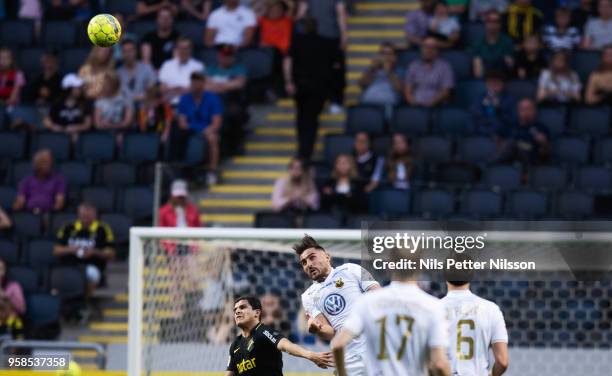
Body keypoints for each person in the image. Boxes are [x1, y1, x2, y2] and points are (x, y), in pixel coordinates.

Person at [331, 248, 451, 376]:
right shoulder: (433, 306)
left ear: (389, 266)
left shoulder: (367, 302)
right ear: (420, 267)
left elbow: (338, 344)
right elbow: (439, 364)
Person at [296, 235, 380, 376]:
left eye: (312, 257)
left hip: (376, 348)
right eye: (303, 263)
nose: (308, 264)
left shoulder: (351, 269)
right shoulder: (308, 296)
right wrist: (318, 328)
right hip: (350, 358)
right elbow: (330, 333)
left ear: (327, 257)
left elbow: (378, 294)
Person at [226, 295, 334, 375]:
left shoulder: (263, 332)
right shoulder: (235, 344)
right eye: (235, 309)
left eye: (242, 307)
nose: (237, 311)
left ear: (257, 313)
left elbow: (285, 345)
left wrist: (310, 355)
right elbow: (230, 373)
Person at [442, 255, 509, 376]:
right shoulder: (491, 309)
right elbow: (502, 362)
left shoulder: (433, 309)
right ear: (471, 275)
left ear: (445, 276)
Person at [284, 18, 336, 161]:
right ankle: (306, 150)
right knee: (311, 119)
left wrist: (289, 81)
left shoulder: (297, 41)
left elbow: (288, 61)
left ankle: (304, 149)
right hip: (318, 87)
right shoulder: (325, 43)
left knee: (303, 118)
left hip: (303, 85)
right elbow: (332, 67)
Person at [299, 0, 348, 113]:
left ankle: (335, 100)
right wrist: (344, 36)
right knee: (325, 72)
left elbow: (341, 14)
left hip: (326, 38)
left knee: (333, 71)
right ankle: (332, 101)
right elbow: (302, 14)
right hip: (321, 39)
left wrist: (344, 35)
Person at [53, 202, 115, 292]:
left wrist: (94, 252)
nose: (85, 219)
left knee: (91, 274)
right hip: (69, 265)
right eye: (83, 216)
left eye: (88, 216)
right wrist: (71, 250)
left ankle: (84, 301)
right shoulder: (68, 227)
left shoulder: (103, 229)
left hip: (92, 266)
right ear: (78, 215)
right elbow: (55, 250)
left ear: (95, 216)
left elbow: (111, 254)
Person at [177, 72, 223, 185]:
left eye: (198, 81)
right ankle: (184, 170)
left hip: (207, 130)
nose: (195, 84)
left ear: (203, 83)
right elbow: (182, 122)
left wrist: (207, 130)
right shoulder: (184, 98)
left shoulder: (213, 99)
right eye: (193, 81)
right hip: (189, 131)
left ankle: (212, 171)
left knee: (213, 138)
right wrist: (196, 129)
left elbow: (216, 123)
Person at [497, 98, 549, 171]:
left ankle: (489, 165)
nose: (526, 112)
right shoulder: (510, 126)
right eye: (522, 109)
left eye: (529, 109)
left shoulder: (541, 128)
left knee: (513, 144)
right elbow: (500, 143)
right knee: (511, 144)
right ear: (518, 111)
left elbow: (545, 154)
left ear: (534, 111)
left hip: (529, 157)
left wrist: (544, 143)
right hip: (509, 158)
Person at [404, 37, 455, 107]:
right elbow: (408, 90)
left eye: (432, 48)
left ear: (437, 51)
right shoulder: (413, 66)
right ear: (421, 49)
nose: (429, 50)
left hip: (436, 107)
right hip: (416, 106)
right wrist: (413, 104)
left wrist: (431, 103)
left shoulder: (445, 67)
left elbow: (446, 91)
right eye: (426, 47)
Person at [44, 73, 93, 144]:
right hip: (58, 136)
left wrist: (76, 127)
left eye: (80, 87)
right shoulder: (57, 103)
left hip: (78, 137)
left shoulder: (85, 103)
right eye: (77, 88)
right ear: (68, 89)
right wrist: (54, 126)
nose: (80, 90)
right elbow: (47, 120)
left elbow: (88, 124)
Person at [258, 0, 294, 97]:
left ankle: (287, 87)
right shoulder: (263, 20)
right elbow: (256, 12)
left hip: (284, 53)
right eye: (273, 10)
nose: (275, 12)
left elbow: (291, 7)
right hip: (267, 54)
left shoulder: (287, 20)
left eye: (278, 9)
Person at [13, 149, 65, 214]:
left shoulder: (58, 180)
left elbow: (59, 203)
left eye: (50, 162)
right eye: (45, 162)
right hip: (29, 212)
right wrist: (14, 212)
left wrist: (51, 216)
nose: (49, 165)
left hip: (48, 213)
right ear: (37, 164)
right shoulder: (27, 180)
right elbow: (20, 201)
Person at [159, 37, 206, 104]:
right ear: (177, 49)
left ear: (191, 50)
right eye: (180, 48)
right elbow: (162, 88)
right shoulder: (167, 65)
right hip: (169, 104)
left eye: (186, 48)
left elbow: (196, 89)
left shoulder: (198, 66)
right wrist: (182, 90)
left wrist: (174, 90)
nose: (183, 51)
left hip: (190, 104)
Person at [359, 42, 403, 109]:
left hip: (388, 105)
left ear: (395, 57)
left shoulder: (400, 70)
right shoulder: (372, 69)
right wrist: (372, 69)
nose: (385, 57)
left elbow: (400, 89)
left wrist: (389, 71)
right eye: (382, 53)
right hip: (367, 102)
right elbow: (362, 85)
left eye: (389, 54)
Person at [471, 70, 515, 137]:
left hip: (500, 134)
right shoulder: (479, 98)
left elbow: (510, 121)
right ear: (486, 84)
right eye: (491, 83)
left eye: (497, 83)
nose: (493, 86)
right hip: (481, 133)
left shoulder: (510, 100)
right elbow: (474, 117)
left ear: (503, 84)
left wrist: (498, 108)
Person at [470, 10, 514, 78]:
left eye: (496, 21)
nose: (493, 24)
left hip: (503, 79)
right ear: (485, 23)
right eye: (489, 21)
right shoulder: (477, 42)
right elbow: (477, 72)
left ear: (500, 24)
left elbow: (510, 66)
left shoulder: (507, 41)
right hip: (483, 80)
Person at [94, 72, 134, 142]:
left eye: (107, 84)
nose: (104, 86)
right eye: (103, 84)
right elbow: (97, 124)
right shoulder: (100, 100)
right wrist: (107, 126)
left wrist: (111, 126)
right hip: (103, 133)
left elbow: (127, 122)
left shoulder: (126, 98)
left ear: (114, 84)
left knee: (120, 138)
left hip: (121, 132)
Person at [117, 40, 157, 104]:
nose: (128, 54)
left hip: (144, 105)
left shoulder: (146, 68)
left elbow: (153, 89)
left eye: (130, 51)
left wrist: (146, 96)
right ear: (121, 54)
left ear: (135, 51)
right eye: (124, 51)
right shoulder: (118, 73)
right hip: (125, 107)